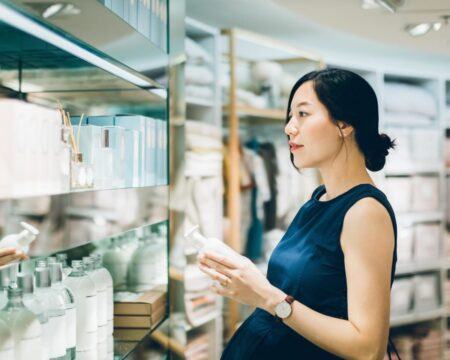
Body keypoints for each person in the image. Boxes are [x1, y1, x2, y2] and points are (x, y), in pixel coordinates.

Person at [199, 68, 400, 359]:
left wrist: (267, 297)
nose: (289, 128)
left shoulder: (365, 212)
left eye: (303, 115)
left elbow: (369, 348)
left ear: (344, 123)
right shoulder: (319, 199)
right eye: (290, 116)